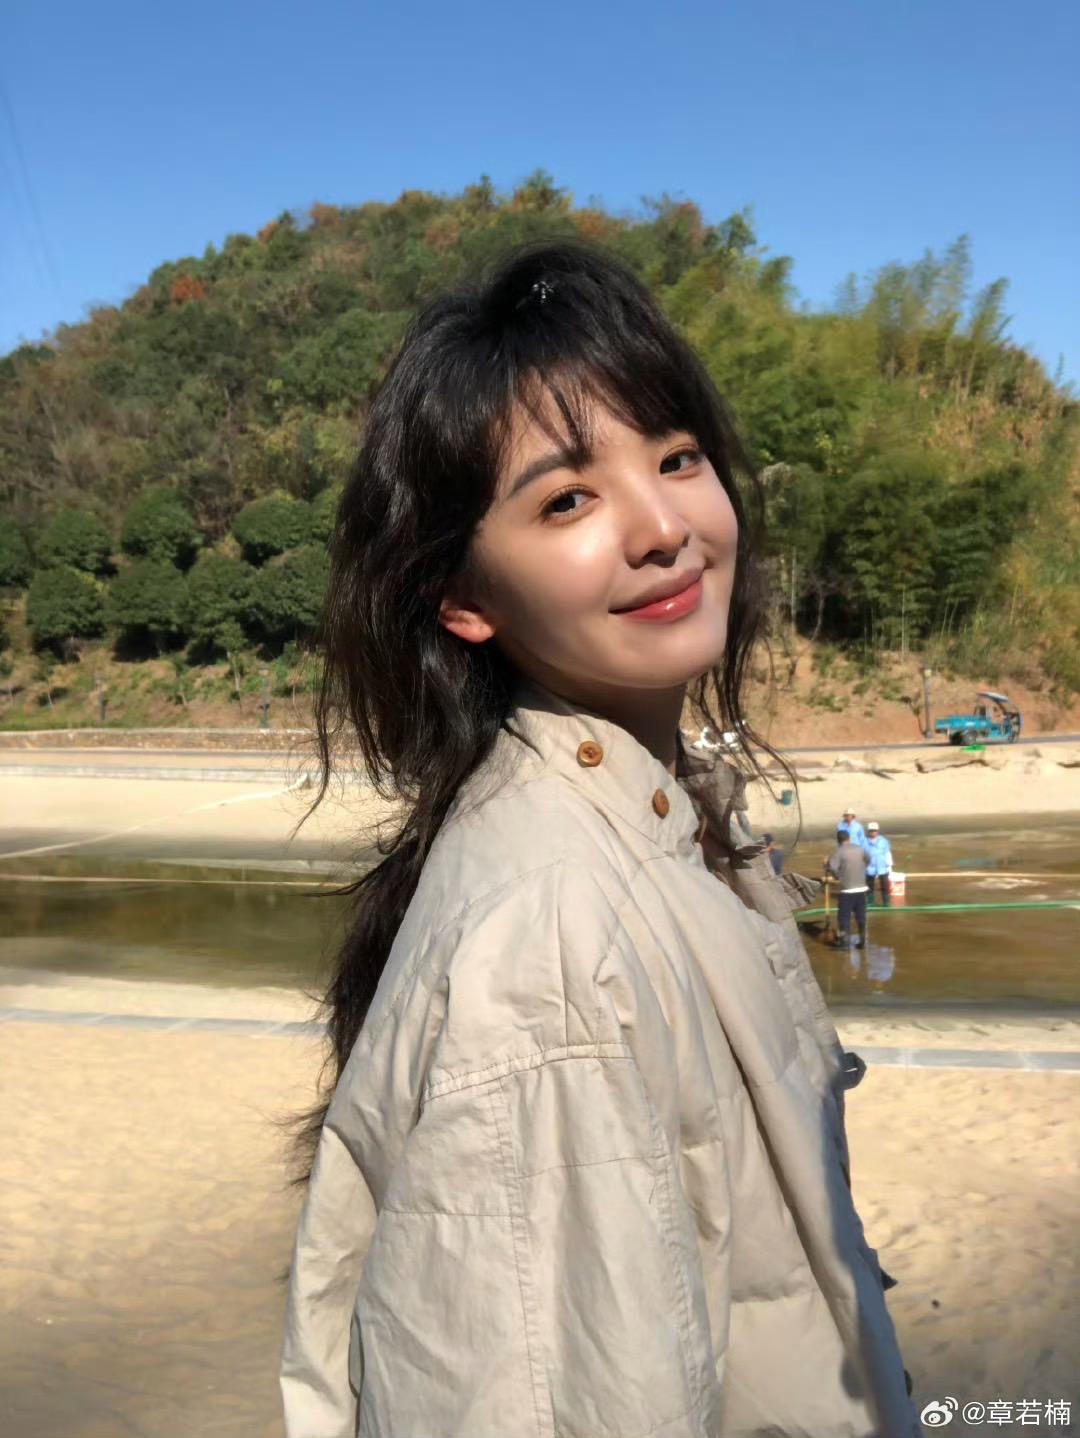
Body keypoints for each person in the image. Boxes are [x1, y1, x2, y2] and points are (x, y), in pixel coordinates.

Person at [279, 240, 918, 1437]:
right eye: (567, 499)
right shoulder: (558, 946)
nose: (663, 527)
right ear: (462, 598)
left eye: (676, 458)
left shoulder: (665, 819)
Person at [825, 828, 870, 949]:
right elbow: (868, 860)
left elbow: (832, 868)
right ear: (849, 838)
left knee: (844, 917)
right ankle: (862, 941)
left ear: (838, 840)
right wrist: (860, 870)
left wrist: (836, 874)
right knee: (861, 916)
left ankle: (844, 943)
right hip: (861, 888)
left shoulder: (839, 852)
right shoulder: (860, 849)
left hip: (847, 890)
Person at [864, 820, 893, 905]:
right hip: (869, 867)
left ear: (877, 831)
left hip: (882, 867)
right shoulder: (864, 841)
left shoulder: (883, 841)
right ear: (868, 831)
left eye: (874, 830)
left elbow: (887, 853)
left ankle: (886, 902)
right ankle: (870, 902)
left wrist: (889, 865)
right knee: (869, 886)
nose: (873, 832)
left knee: (885, 885)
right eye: (871, 831)